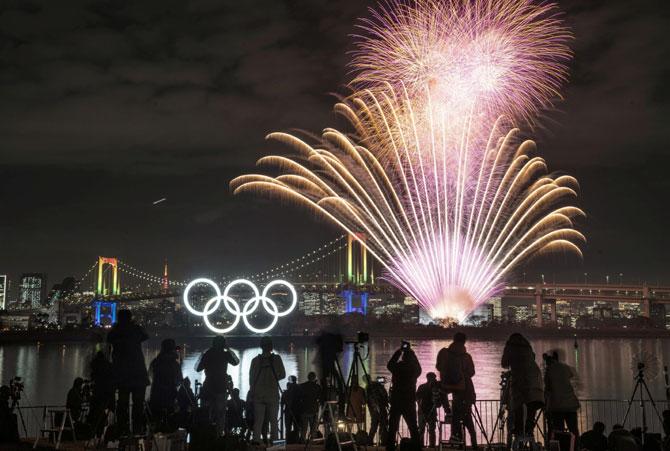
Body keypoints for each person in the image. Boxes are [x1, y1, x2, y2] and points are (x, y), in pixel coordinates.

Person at [107, 309, 150, 435]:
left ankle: (122, 430)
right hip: (138, 375)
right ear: (130, 317)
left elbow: (108, 340)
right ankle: (137, 431)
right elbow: (145, 335)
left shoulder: (115, 332)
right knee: (138, 405)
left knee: (122, 404)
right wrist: (134, 324)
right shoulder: (135, 330)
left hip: (122, 375)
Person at [437, 332, 477, 448]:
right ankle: (473, 445)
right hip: (466, 391)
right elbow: (471, 372)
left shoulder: (445, 353)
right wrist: (463, 375)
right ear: (464, 341)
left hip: (453, 391)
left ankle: (456, 438)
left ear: (453, 340)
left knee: (456, 417)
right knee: (468, 420)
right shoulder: (466, 356)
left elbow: (439, 367)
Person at [501, 333, 544, 438]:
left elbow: (504, 363)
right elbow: (530, 360)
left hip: (521, 380)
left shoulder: (510, 346)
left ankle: (519, 430)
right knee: (532, 404)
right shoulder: (527, 347)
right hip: (535, 378)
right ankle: (529, 429)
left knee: (518, 405)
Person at [195, 336, 240, 436]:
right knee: (221, 414)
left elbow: (197, 368)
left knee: (207, 413)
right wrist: (228, 349)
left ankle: (207, 434)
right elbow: (236, 362)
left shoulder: (208, 354)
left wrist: (202, 355)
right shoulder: (225, 354)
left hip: (208, 387)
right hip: (221, 387)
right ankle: (219, 435)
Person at [249, 336, 286, 444]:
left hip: (258, 394)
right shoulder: (277, 359)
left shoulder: (255, 361)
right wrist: (273, 376)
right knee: (274, 422)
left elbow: (252, 379)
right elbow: (283, 374)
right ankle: (275, 445)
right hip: (272, 394)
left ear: (261, 346)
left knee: (258, 422)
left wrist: (252, 392)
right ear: (271, 346)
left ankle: (256, 443)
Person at [386, 341, 422, 451]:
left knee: (392, 427)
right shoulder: (414, 370)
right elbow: (418, 367)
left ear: (403, 357)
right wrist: (411, 352)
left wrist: (399, 351)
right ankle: (417, 447)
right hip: (409, 401)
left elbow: (389, 364)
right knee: (413, 427)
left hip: (396, 400)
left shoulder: (397, 367)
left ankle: (390, 447)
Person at [544, 350, 580, 440]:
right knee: (573, 430)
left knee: (558, 431)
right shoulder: (565, 367)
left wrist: (546, 405)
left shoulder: (549, 370)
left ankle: (560, 447)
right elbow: (571, 375)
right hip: (571, 404)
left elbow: (547, 388)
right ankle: (575, 447)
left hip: (557, 406)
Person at [148, 338, 183, 430]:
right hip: (170, 397)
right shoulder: (175, 364)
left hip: (156, 396)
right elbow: (179, 380)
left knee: (156, 422)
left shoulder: (156, 362)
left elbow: (151, 376)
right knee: (170, 420)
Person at [88, 350, 115, 431]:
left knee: (96, 414)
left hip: (98, 394)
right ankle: (103, 430)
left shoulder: (95, 365)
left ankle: (96, 431)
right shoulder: (108, 366)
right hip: (106, 394)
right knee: (103, 413)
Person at [416, 372, 442, 448]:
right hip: (425, 411)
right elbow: (417, 398)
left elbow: (417, 398)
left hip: (425, 411)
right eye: (433, 378)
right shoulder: (427, 387)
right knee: (428, 431)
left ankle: (423, 446)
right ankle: (430, 446)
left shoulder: (422, 387)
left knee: (425, 430)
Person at [365, 374, 389, 446]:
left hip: (374, 410)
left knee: (375, 426)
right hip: (379, 409)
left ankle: (370, 441)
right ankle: (383, 441)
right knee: (382, 425)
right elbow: (385, 396)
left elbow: (368, 400)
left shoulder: (369, 387)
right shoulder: (376, 387)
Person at [299, 372, 321, 443]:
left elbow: (300, 397)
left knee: (304, 428)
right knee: (313, 428)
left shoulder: (302, 386)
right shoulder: (317, 387)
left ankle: (302, 441)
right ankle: (312, 442)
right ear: (314, 378)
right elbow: (319, 397)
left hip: (304, 410)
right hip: (313, 410)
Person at [281, 375, 300, 442]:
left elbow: (282, 403)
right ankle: (297, 440)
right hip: (297, 411)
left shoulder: (286, 392)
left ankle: (287, 440)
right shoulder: (299, 388)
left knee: (288, 427)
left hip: (288, 411)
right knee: (296, 427)